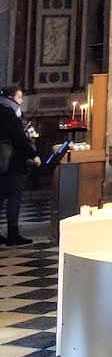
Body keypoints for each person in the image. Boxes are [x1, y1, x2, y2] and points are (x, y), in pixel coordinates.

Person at [0, 86, 40, 246]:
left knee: (1, 197)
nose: (22, 101)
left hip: (3, 163)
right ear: (11, 97)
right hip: (12, 163)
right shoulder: (9, 113)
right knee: (14, 197)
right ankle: (13, 234)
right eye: (19, 98)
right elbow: (19, 139)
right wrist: (33, 155)